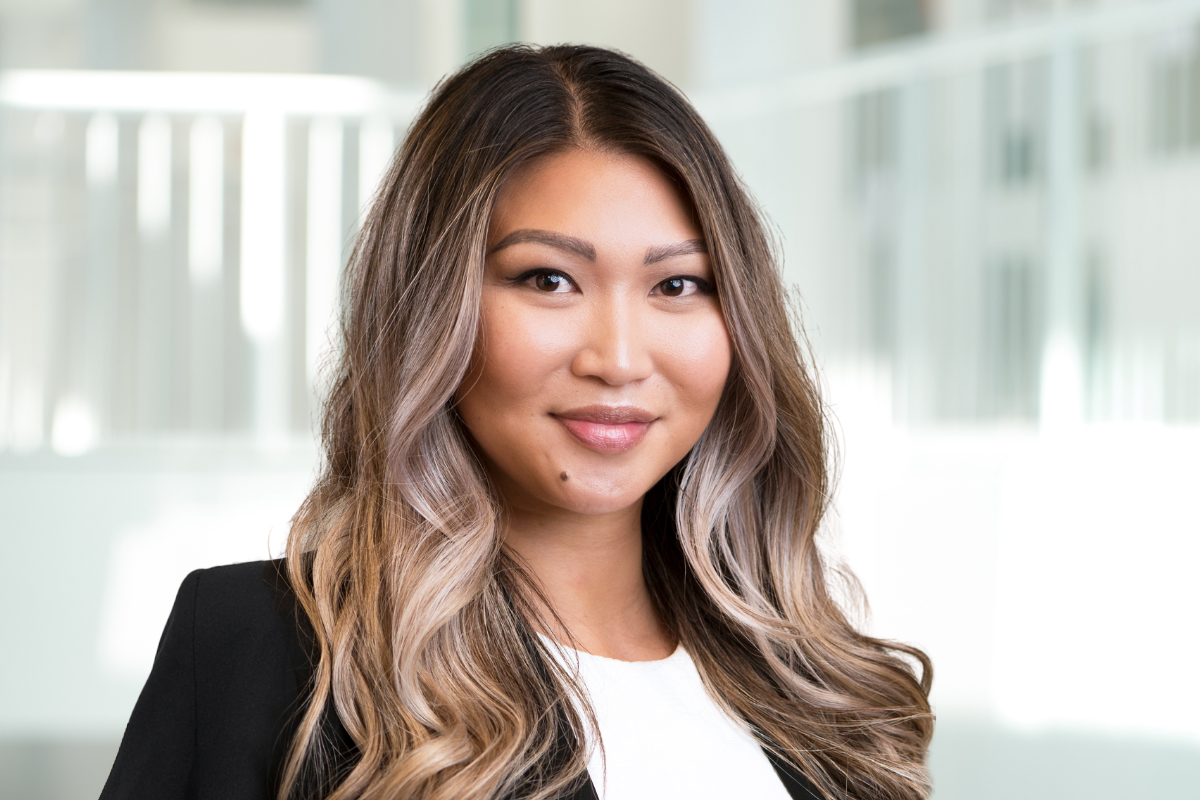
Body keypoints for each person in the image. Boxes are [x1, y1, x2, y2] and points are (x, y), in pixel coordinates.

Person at [100, 44, 933, 800]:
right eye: (548, 279)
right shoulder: (264, 651)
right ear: (436, 310)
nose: (618, 357)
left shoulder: (821, 692)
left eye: (677, 285)